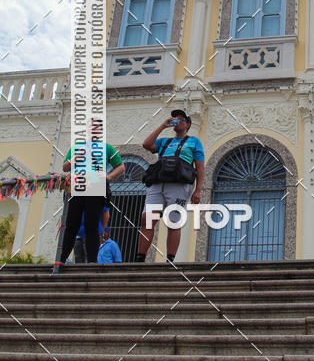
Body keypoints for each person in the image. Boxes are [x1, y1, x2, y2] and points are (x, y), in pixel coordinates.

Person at [54, 123, 124, 274]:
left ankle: (92, 262)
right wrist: (75, 158)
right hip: (77, 187)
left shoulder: (107, 148)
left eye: (97, 127)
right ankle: (61, 260)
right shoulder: (76, 146)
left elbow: (121, 167)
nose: (94, 129)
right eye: (91, 127)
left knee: (92, 225)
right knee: (71, 225)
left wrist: (108, 176)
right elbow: (65, 167)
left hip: (95, 187)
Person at [136, 110, 205, 264]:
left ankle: (170, 260)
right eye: (175, 118)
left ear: (187, 124)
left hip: (179, 184)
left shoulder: (194, 141)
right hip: (159, 182)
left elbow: (200, 167)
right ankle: (140, 258)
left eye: (181, 119)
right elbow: (147, 144)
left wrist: (198, 190)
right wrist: (163, 126)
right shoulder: (164, 141)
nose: (177, 121)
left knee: (173, 221)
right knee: (147, 218)